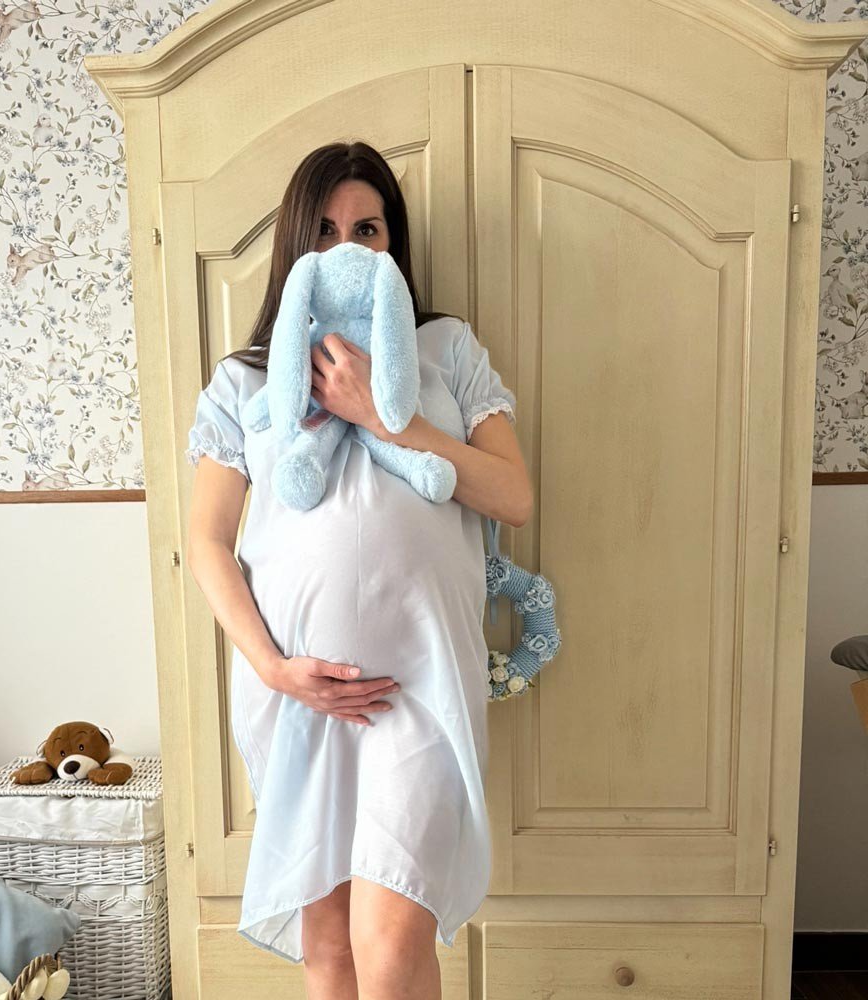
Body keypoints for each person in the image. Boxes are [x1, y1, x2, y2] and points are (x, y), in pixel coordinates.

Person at [184, 140, 532, 1000]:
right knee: (330, 947)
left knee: (392, 936)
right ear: (296, 251)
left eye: (368, 227)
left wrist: (386, 415)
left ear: (392, 243)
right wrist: (274, 669)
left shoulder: (445, 349)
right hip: (301, 696)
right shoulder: (245, 382)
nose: (349, 247)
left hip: (422, 686)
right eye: (328, 230)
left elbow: (512, 496)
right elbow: (207, 542)